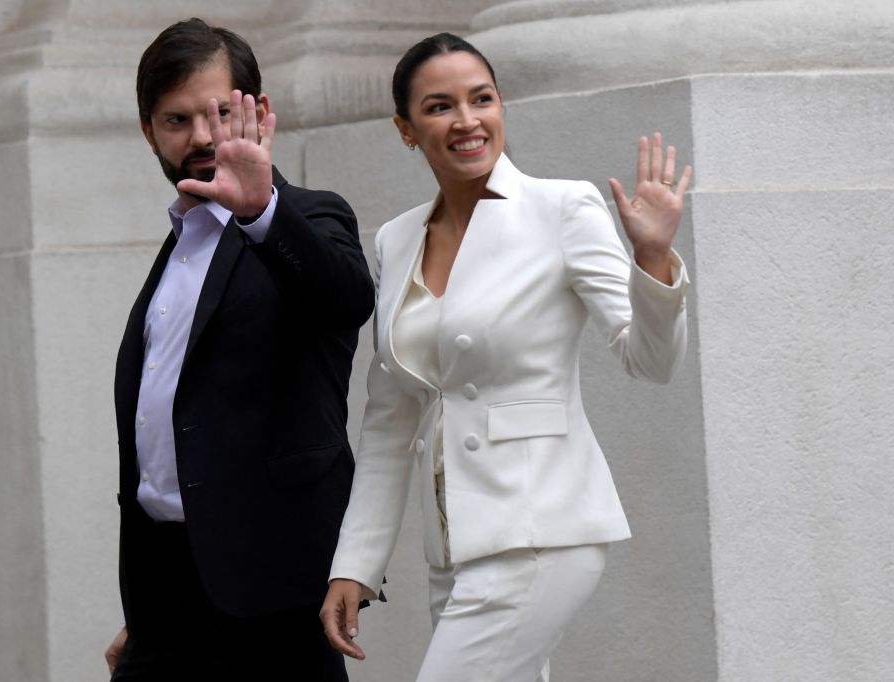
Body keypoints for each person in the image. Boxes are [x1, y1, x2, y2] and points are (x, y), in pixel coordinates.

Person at [320, 32, 692, 681]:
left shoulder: (562, 208)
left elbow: (650, 360)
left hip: (538, 532)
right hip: (452, 547)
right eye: (439, 106)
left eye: (482, 99)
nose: (467, 120)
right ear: (406, 129)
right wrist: (354, 563)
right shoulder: (397, 238)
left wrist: (653, 258)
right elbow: (389, 423)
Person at [104, 18, 374, 681]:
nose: (201, 137)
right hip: (166, 593)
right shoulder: (177, 249)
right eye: (176, 120)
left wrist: (260, 212)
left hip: (272, 599)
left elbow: (345, 301)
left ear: (260, 112)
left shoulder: (308, 216)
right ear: (149, 133)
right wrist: (144, 612)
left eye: (220, 113)